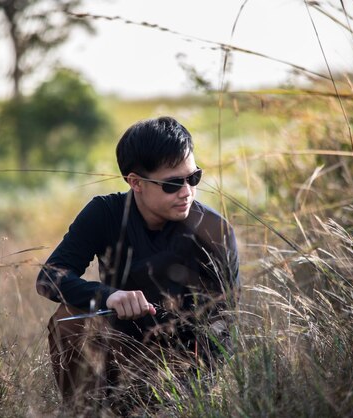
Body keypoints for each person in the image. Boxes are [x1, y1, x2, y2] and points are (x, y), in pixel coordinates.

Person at [36, 116, 239, 407]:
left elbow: (225, 324)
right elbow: (49, 278)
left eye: (193, 177)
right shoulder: (104, 213)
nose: (187, 192)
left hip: (181, 365)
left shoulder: (213, 230)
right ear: (135, 182)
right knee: (67, 320)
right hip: (116, 349)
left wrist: (188, 395)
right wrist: (108, 297)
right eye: (172, 184)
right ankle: (86, 413)